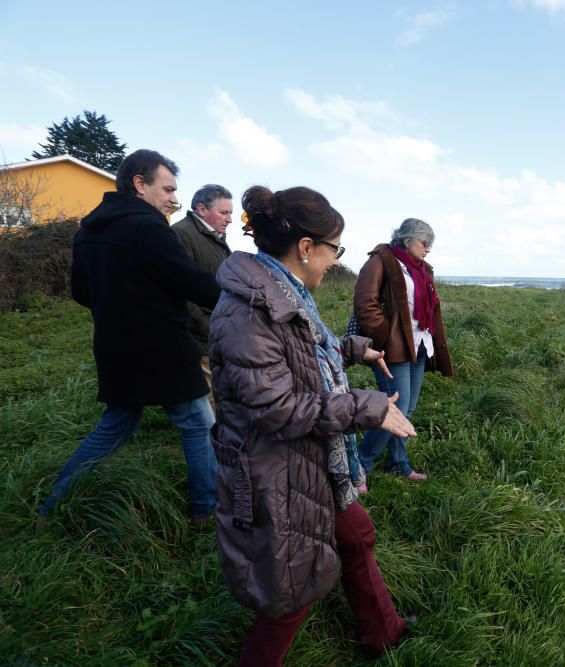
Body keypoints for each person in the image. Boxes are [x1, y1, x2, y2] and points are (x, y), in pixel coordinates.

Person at [210, 185, 417, 665]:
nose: (333, 261)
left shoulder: (281, 289)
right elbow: (275, 408)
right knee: (290, 592)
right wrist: (364, 407)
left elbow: (299, 356)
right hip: (275, 466)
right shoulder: (250, 309)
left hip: (311, 458)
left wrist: (349, 350)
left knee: (356, 536)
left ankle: (383, 632)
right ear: (306, 247)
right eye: (333, 249)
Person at [37, 149, 220, 527]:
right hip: (164, 347)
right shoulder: (149, 226)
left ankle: (53, 506)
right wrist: (237, 293)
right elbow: (189, 280)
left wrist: (119, 306)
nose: (173, 198)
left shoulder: (88, 230)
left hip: (115, 347)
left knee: (117, 425)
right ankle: (207, 508)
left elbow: (81, 292)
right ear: (140, 184)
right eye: (168, 189)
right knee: (198, 424)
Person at [354, 218, 452, 483]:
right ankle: (359, 465)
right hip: (393, 350)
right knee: (393, 408)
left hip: (419, 346)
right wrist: (385, 337)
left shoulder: (420, 268)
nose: (428, 248)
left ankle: (398, 463)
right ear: (407, 238)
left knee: (406, 410)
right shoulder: (381, 261)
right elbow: (366, 304)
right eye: (424, 242)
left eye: (431, 244)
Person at [170, 184, 233, 410]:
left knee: (222, 394)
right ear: (201, 209)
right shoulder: (181, 234)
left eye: (230, 213)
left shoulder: (214, 237)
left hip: (221, 331)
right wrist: (205, 327)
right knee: (209, 402)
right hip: (202, 336)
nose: (229, 219)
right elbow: (179, 289)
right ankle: (210, 443)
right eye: (223, 213)